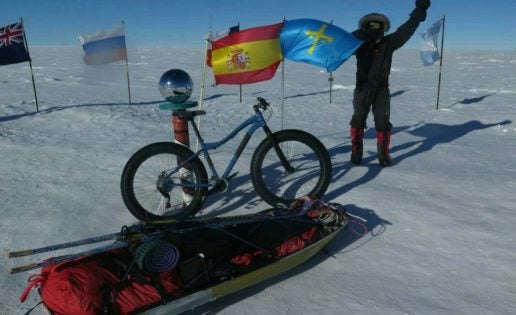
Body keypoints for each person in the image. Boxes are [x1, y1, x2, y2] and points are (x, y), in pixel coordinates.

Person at [349, 0, 431, 166]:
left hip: (382, 90)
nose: (375, 29)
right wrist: (359, 36)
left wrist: (420, 9)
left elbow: (408, 28)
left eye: (378, 26)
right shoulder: (358, 43)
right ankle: (356, 151)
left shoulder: (389, 43)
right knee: (358, 120)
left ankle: (383, 154)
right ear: (365, 27)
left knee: (383, 122)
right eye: (370, 26)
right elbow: (342, 44)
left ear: (383, 28)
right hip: (363, 88)